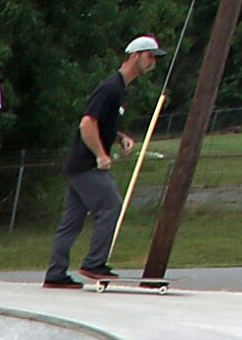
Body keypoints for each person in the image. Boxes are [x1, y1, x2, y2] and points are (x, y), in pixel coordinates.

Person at [45, 35, 160, 289]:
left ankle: (55, 274)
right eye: (150, 56)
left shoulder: (120, 90)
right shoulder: (111, 88)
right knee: (111, 206)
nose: (153, 62)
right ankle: (94, 263)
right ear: (135, 56)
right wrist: (100, 154)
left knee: (71, 222)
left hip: (78, 166)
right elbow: (87, 123)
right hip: (87, 165)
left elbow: (101, 123)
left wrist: (119, 138)